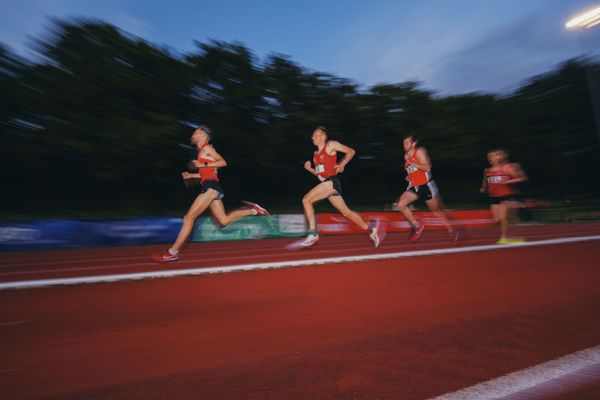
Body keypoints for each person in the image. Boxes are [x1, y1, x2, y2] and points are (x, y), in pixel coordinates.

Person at [152, 126, 269, 262]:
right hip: (212, 187)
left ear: (203, 135)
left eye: (195, 133)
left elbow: (223, 162)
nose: (192, 136)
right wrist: (191, 176)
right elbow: (208, 174)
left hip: (211, 189)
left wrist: (202, 165)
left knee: (188, 218)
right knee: (223, 221)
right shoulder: (202, 152)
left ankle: (173, 252)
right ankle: (254, 210)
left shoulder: (207, 148)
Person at [292, 126, 384, 248]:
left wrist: (342, 164)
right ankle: (372, 227)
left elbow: (351, 151)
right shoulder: (315, 155)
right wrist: (310, 169)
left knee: (306, 200)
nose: (313, 137)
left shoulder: (330, 145)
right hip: (327, 184)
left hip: (332, 182)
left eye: (316, 135)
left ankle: (313, 234)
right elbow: (320, 175)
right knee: (347, 213)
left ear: (323, 137)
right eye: (313, 135)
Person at [395, 134, 458, 241]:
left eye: (407, 143)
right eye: (403, 143)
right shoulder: (406, 157)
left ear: (414, 143)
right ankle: (416, 226)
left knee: (436, 211)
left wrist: (411, 162)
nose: (404, 145)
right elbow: (412, 173)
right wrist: (409, 178)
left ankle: (451, 230)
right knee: (401, 204)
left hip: (426, 186)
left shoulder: (419, 151)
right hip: (414, 187)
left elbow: (427, 167)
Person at [480, 148, 528, 244]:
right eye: (491, 156)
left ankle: (505, 237)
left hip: (507, 195)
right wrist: (483, 188)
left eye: (497, 155)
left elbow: (523, 178)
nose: (494, 158)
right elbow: (486, 181)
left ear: (503, 156)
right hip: (494, 196)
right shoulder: (487, 170)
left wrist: (507, 181)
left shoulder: (509, 167)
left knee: (503, 217)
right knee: (497, 220)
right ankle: (514, 217)